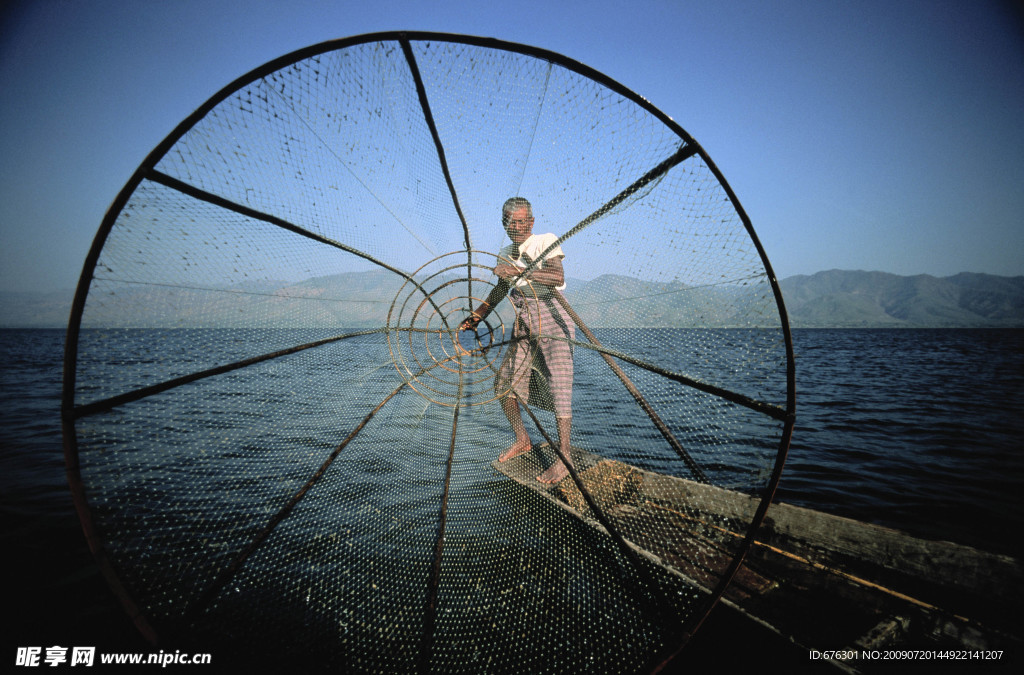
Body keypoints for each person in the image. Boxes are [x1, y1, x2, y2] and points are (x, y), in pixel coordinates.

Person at [459, 197, 575, 483]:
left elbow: (556, 276)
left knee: (559, 386)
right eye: (512, 222)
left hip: (551, 317)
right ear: (505, 224)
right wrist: (477, 317)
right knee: (504, 384)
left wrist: (518, 271)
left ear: (531, 222)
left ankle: (565, 457)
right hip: (524, 320)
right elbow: (500, 291)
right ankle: (522, 439)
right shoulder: (505, 253)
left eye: (523, 221)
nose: (518, 227)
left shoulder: (545, 240)